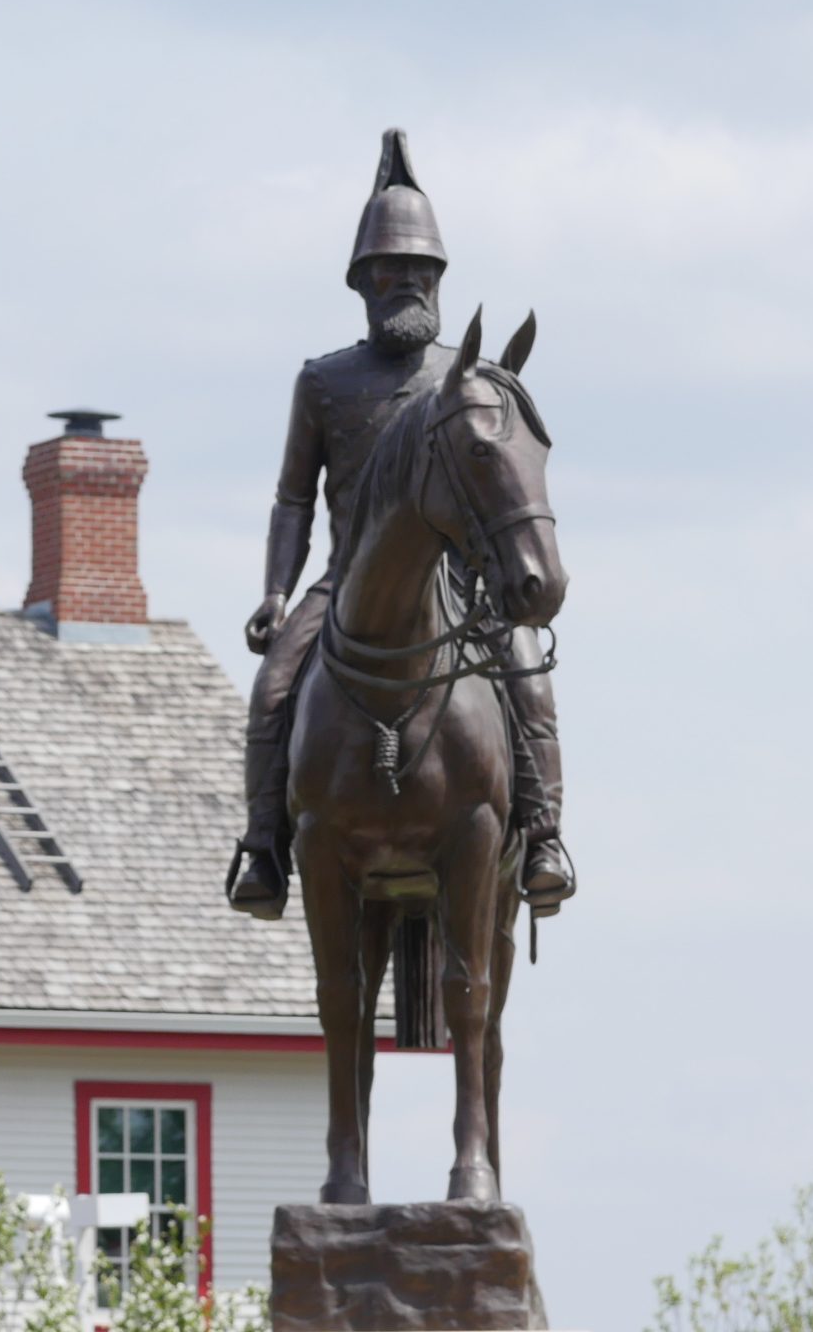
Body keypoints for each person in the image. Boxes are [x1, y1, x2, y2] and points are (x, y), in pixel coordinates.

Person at [226, 129, 575, 922]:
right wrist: (276, 594)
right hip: (345, 578)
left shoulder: (468, 378)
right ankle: (263, 847)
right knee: (275, 686)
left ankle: (546, 836)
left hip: (457, 580)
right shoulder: (324, 382)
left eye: (421, 270)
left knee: (528, 677)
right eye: (393, 270)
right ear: (363, 281)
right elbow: (293, 498)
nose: (408, 282)